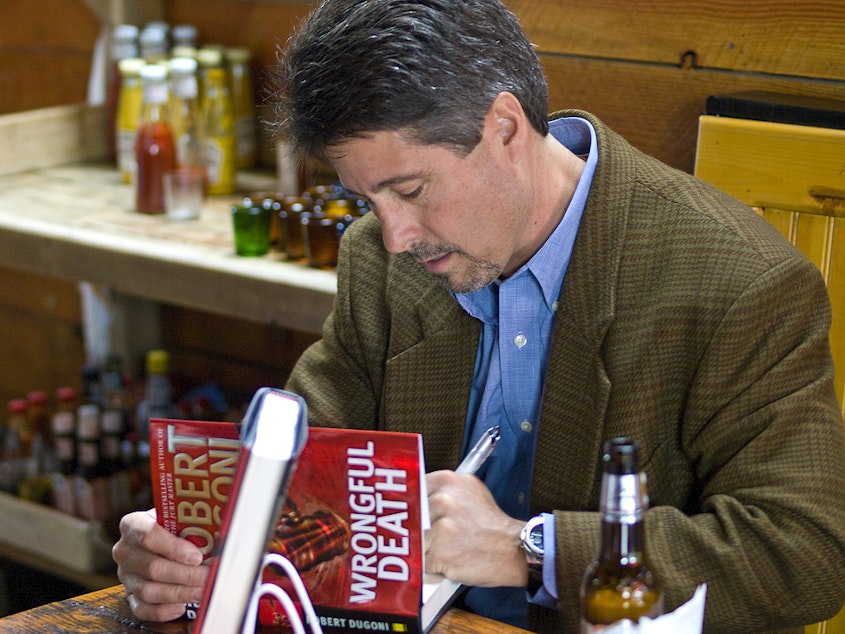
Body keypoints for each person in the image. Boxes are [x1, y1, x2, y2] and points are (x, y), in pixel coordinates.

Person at [112, 0, 845, 631]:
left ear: (503, 127)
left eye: (411, 189)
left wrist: (527, 549)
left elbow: (807, 551)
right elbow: (307, 450)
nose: (393, 235)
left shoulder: (737, 280)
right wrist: (197, 543)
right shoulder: (382, 257)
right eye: (369, 199)